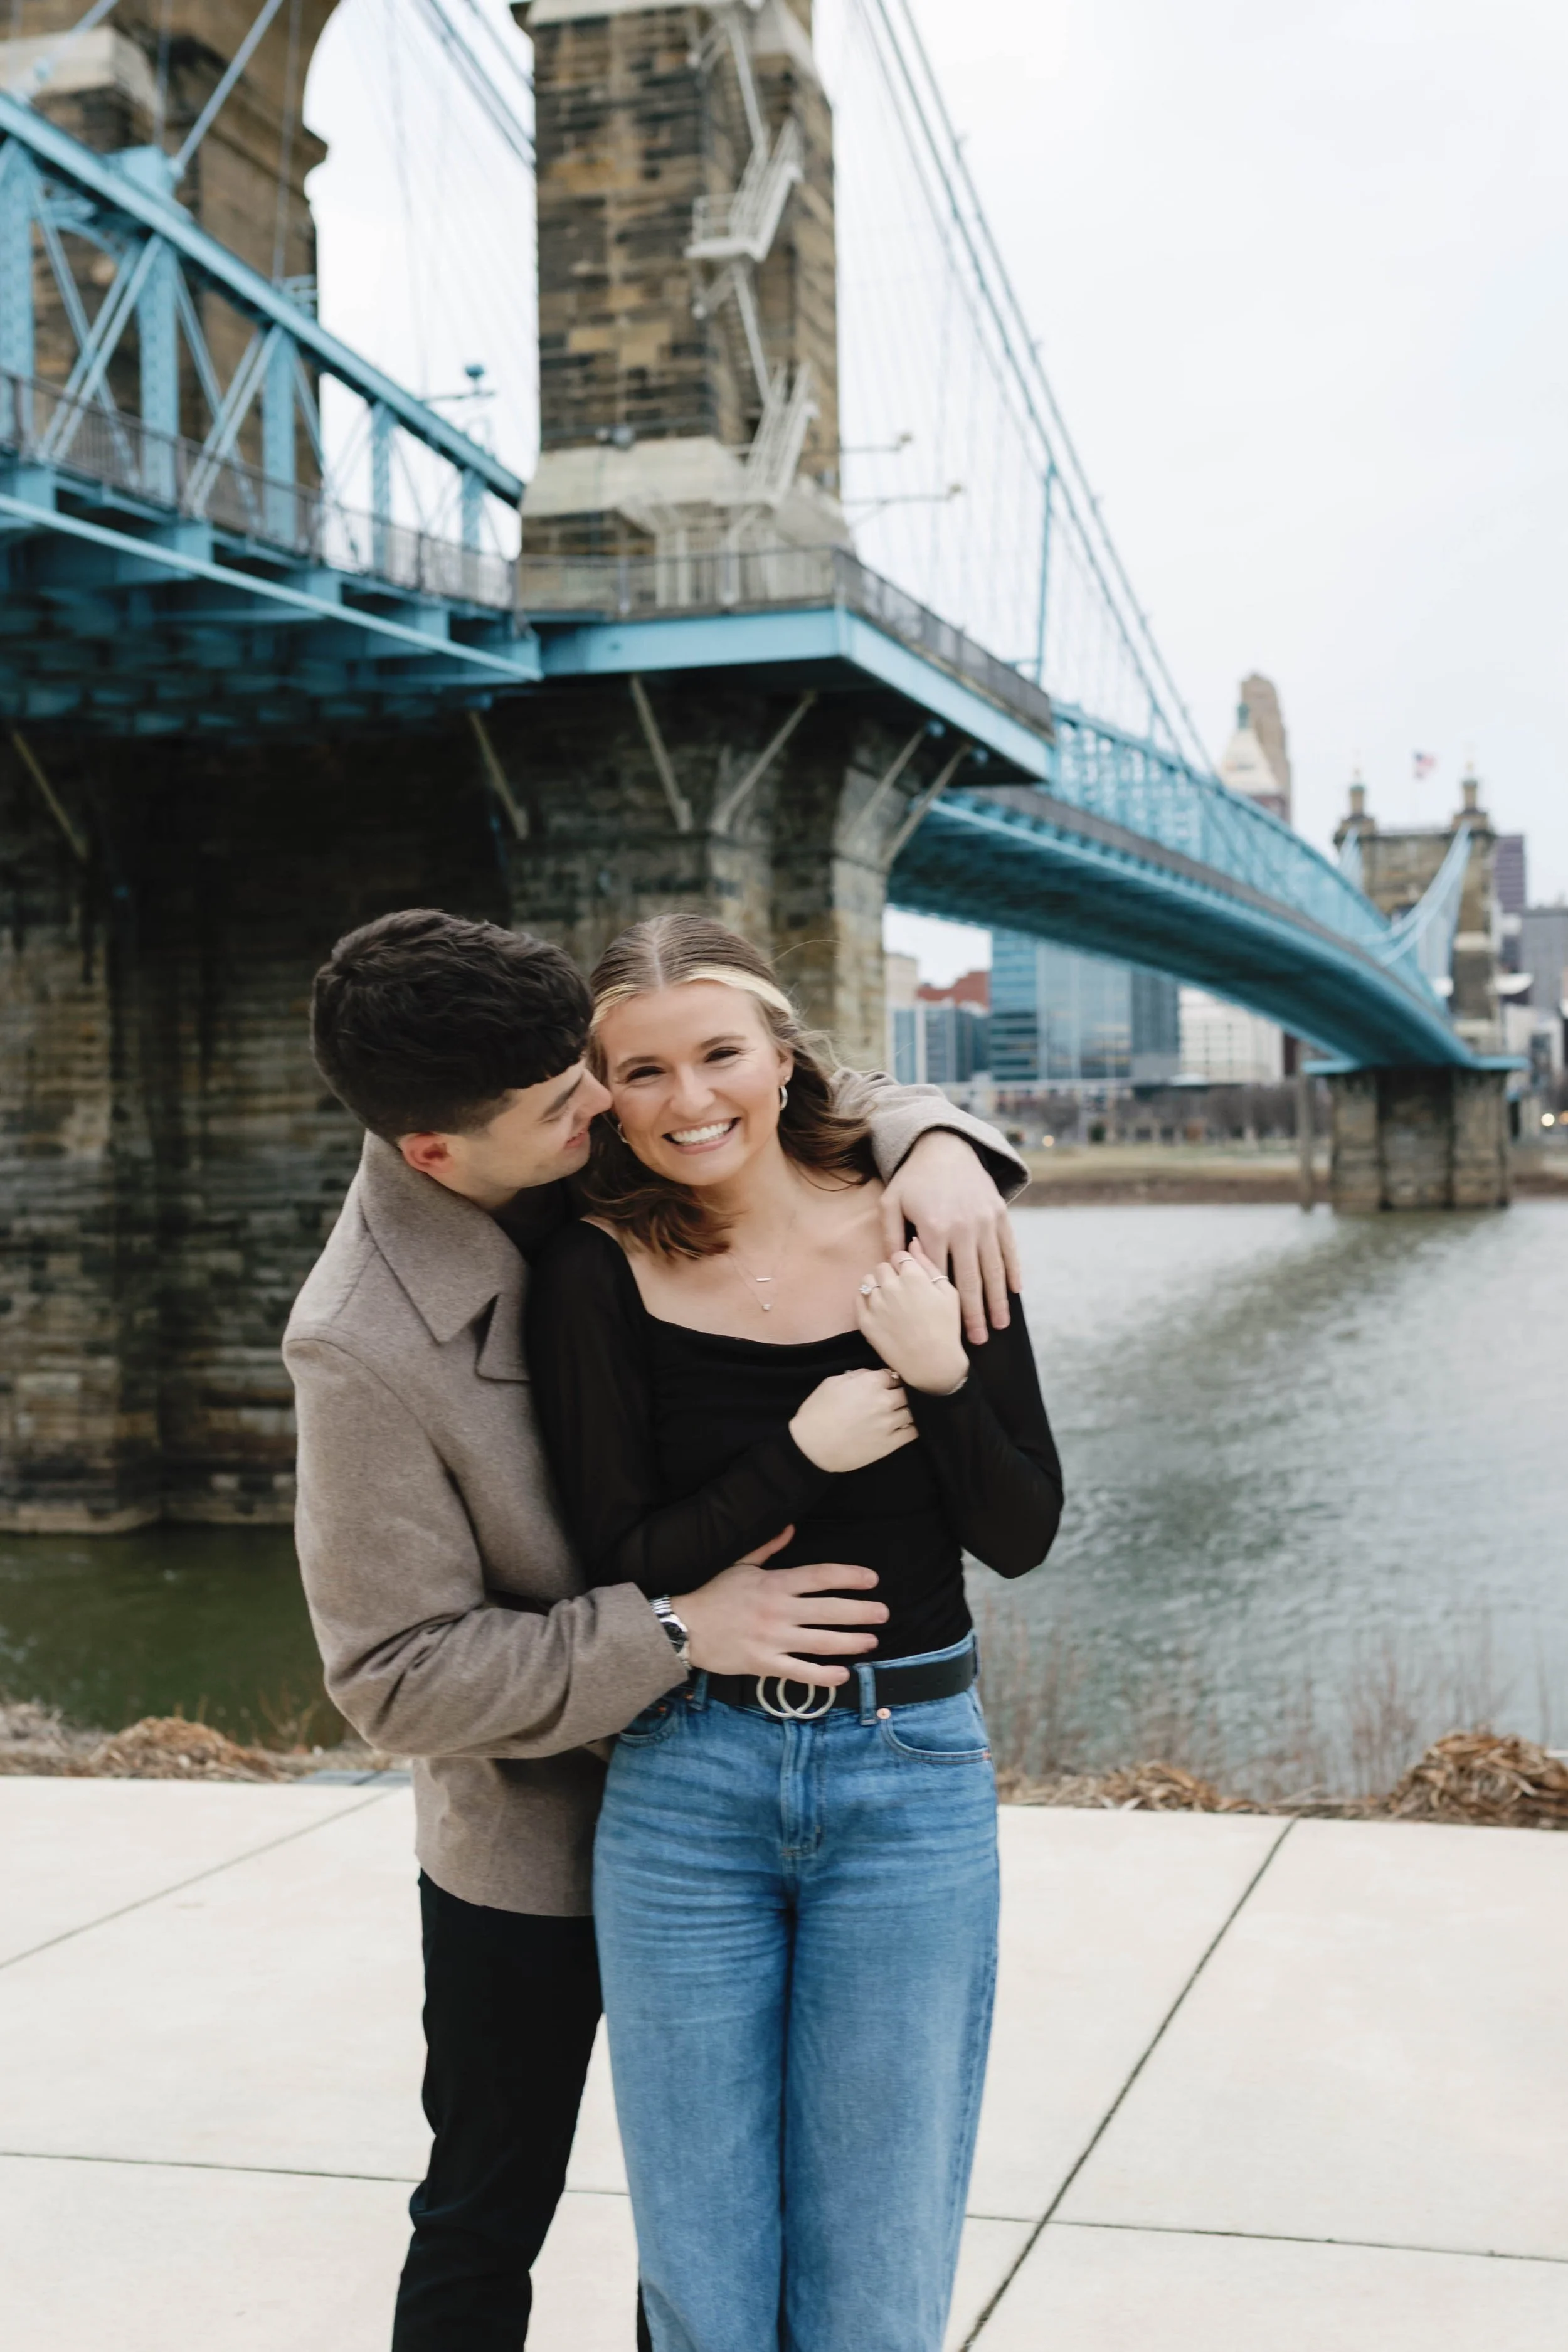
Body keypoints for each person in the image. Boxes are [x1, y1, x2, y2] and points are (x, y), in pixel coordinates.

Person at [283, 907, 1030, 2350]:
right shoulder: (359, 1339)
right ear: (439, 1153)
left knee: (755, 2234)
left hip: (763, 1765)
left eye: (596, 1074)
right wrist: (681, 1629)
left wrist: (937, 1139)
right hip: (541, 1821)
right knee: (492, 2201)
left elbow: (748, 1077)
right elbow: (391, 1679)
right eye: (576, 1101)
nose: (617, 1113)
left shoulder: (580, 1135)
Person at [526, 913, 1062, 2352]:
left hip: (908, 1778)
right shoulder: (592, 1270)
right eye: (639, 1073)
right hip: (685, 1783)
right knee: (701, 2281)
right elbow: (617, 1554)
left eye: (717, 1056)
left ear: (780, 1054)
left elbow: (1020, 1530)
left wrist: (943, 1377)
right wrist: (801, 1459)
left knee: (872, 2289)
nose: (688, 1102)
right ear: (602, 1097)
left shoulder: (927, 1224)